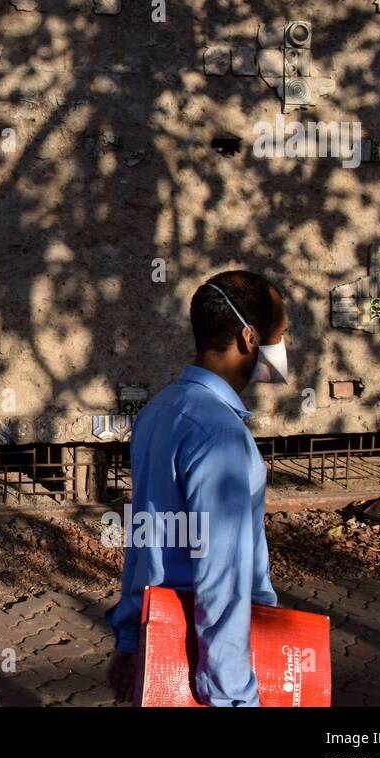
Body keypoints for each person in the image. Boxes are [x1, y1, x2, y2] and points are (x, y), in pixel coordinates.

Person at [105, 270, 287, 706]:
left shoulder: (160, 410)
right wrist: (233, 698)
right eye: (280, 336)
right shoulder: (219, 433)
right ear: (249, 337)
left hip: (160, 636)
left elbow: (144, 539)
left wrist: (130, 639)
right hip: (202, 660)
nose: (282, 350)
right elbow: (221, 580)